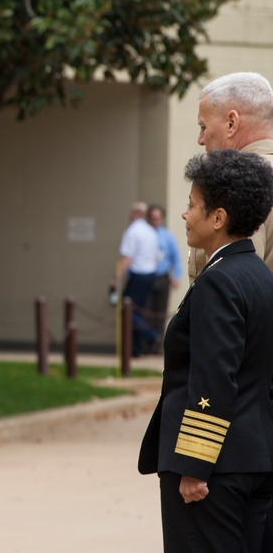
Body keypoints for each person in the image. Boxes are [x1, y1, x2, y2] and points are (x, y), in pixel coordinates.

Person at [138, 148, 273, 552]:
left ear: (219, 218)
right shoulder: (260, 276)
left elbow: (214, 376)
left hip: (216, 469)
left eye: (193, 205)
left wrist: (195, 465)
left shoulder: (219, 280)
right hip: (255, 458)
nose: (185, 214)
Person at [190, 71, 273, 279]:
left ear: (231, 123)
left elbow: (235, 285)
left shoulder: (236, 182)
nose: (200, 139)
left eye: (203, 126)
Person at [113, 201, 159, 357]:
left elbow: (127, 258)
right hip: (150, 275)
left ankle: (151, 335)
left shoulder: (132, 231)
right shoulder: (151, 231)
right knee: (137, 312)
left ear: (134, 214)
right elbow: (155, 257)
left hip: (138, 275)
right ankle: (135, 349)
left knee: (127, 311)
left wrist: (116, 278)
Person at [146, 204, 181, 342]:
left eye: (158, 218)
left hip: (163, 278)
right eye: (153, 218)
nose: (155, 220)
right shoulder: (145, 234)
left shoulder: (167, 236)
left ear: (162, 219)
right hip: (148, 277)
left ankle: (157, 342)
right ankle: (146, 343)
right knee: (146, 312)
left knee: (160, 313)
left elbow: (175, 258)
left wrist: (176, 276)